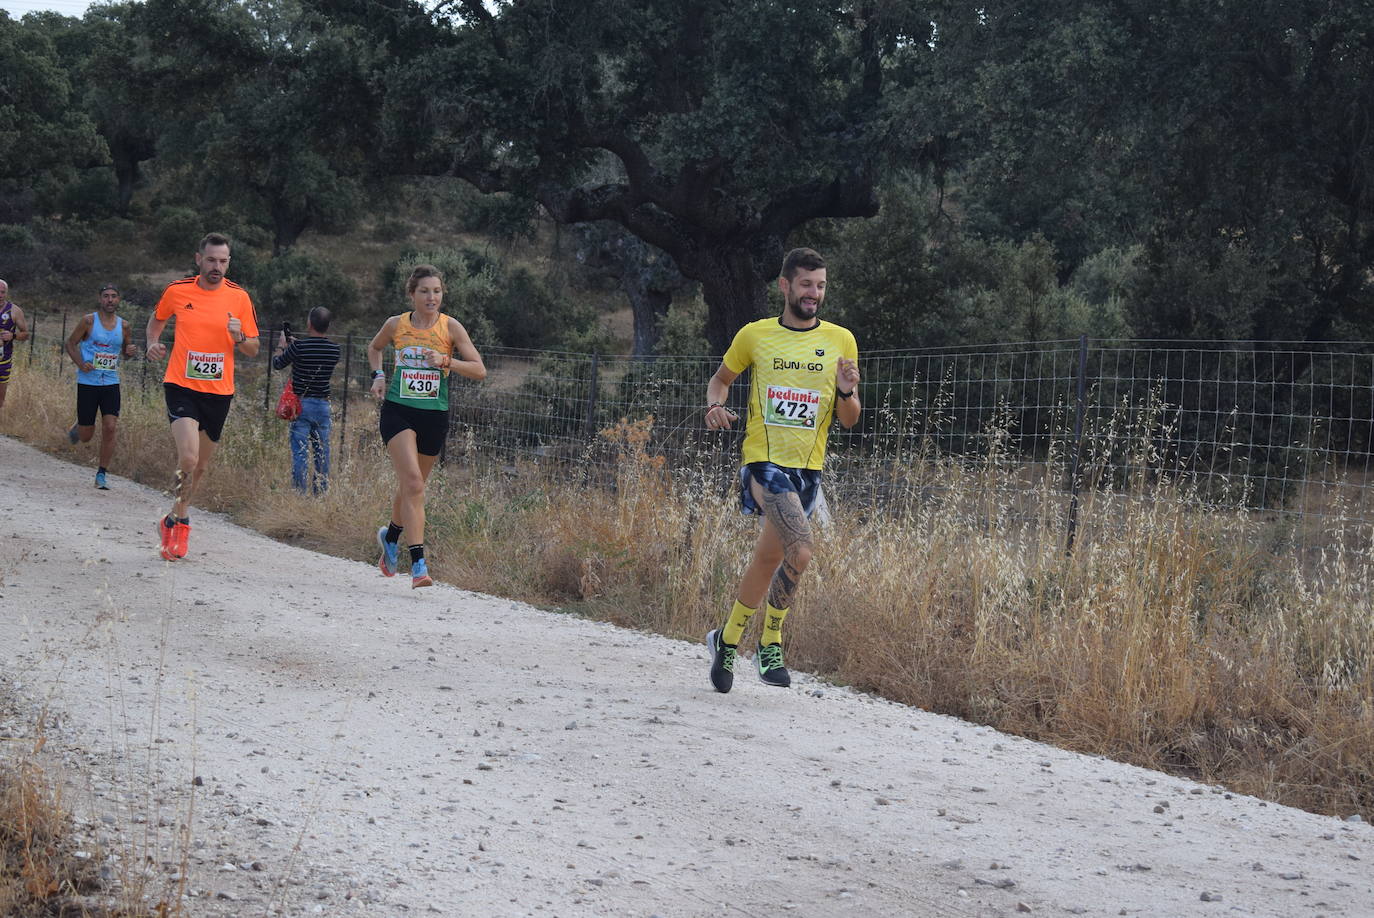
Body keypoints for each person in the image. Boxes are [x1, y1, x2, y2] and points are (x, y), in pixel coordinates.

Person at [703, 247, 861, 693]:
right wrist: (715, 405)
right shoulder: (755, 335)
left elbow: (849, 419)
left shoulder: (840, 340)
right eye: (807, 284)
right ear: (786, 286)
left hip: (809, 469)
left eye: (822, 285)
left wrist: (847, 392)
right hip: (763, 461)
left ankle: (726, 639)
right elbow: (720, 380)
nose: (815, 293)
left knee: (772, 557)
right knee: (803, 549)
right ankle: (771, 641)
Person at [367, 264, 485, 589]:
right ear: (412, 294)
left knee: (412, 486)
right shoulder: (396, 324)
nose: (431, 297)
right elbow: (374, 348)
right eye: (424, 291)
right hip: (398, 411)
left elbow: (479, 369)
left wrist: (447, 361)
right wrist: (378, 376)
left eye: (437, 291)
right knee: (414, 484)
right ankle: (418, 563)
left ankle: (390, 538)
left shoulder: (451, 328)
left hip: (434, 415)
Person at [145, 232, 260, 561]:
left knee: (201, 468)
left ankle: (172, 517)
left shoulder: (239, 297)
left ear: (228, 263)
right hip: (181, 384)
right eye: (211, 260)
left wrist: (239, 337)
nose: (217, 266)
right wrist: (153, 342)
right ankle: (181, 525)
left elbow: (253, 348)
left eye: (223, 261)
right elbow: (157, 320)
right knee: (189, 458)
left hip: (219, 392)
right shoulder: (178, 291)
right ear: (199, 259)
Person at [64, 285, 139, 489]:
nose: (110, 300)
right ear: (100, 299)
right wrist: (81, 364)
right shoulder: (88, 321)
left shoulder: (124, 326)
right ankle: (80, 425)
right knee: (86, 437)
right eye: (106, 296)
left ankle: (101, 474)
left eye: (114, 296)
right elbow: (70, 343)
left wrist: (129, 351)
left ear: (119, 300)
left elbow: (125, 352)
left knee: (110, 427)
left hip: (111, 383)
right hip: (88, 382)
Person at [272, 307, 342, 494]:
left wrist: (282, 346)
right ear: (328, 326)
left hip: (301, 405)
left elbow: (277, 364)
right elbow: (316, 351)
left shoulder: (298, 348)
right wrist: (298, 345)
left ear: (309, 323)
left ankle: (299, 493)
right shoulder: (335, 350)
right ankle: (320, 492)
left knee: (300, 451)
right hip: (323, 405)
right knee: (322, 451)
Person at [0, 279, 31, 415]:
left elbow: (25, 334)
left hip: (3, 361)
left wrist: (12, 336)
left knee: (0, 398)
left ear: (6, 293)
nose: (0, 295)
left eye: (2, 292)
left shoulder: (14, 310)